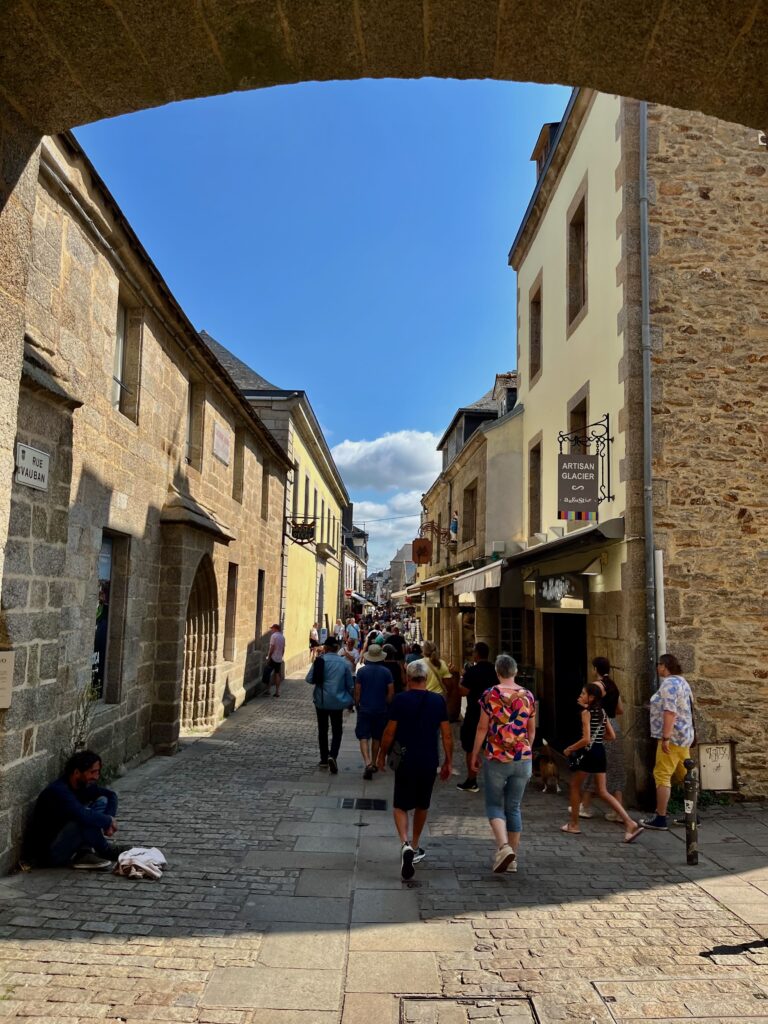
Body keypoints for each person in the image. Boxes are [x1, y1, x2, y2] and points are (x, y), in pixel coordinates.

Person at [377, 660, 453, 881]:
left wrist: (381, 755)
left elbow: (389, 733)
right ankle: (417, 844)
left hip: (405, 760)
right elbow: (447, 734)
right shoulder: (438, 701)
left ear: (408, 679)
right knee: (422, 804)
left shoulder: (401, 700)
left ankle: (405, 843)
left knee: (400, 805)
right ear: (426, 678)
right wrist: (449, 761)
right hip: (429, 760)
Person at [470, 655, 535, 872]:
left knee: (494, 804)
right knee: (514, 807)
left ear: (498, 672)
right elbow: (531, 730)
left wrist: (474, 754)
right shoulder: (527, 696)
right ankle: (512, 860)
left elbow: (482, 727)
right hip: (522, 758)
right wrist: (525, 749)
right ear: (515, 671)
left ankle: (504, 847)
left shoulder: (490, 695)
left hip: (497, 757)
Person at [562, 684, 643, 843]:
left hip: (589, 754)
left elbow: (586, 739)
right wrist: (597, 740)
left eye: (583, 693)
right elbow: (611, 736)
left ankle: (574, 824)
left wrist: (570, 749)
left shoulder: (586, 713)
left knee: (574, 786)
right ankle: (629, 822)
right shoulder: (603, 712)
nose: (581, 695)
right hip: (600, 752)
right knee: (603, 791)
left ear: (591, 697)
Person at [25, 750, 125, 869]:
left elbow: (111, 795)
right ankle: (105, 850)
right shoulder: (58, 791)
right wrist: (107, 820)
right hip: (51, 853)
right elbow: (82, 815)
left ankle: (84, 852)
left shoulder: (83, 785)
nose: (96, 777)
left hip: (69, 839)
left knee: (102, 801)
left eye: (98, 772)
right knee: (84, 817)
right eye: (92, 772)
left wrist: (109, 818)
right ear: (77, 772)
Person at [641, 653, 695, 831]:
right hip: (684, 736)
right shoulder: (682, 681)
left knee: (662, 774)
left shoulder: (669, 684)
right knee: (684, 776)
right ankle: (693, 816)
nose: (657, 668)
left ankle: (661, 817)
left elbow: (670, 711)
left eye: (659, 665)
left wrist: (665, 737)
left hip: (672, 738)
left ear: (664, 666)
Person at [578, 657, 627, 821]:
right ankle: (618, 811)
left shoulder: (597, 686)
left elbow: (592, 705)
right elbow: (620, 710)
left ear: (594, 669)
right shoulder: (613, 685)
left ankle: (585, 806)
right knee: (614, 770)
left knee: (595, 767)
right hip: (615, 726)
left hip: (602, 726)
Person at [306, 635, 354, 774]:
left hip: (321, 700)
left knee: (323, 729)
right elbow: (350, 685)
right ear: (337, 648)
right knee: (337, 730)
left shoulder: (320, 661)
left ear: (325, 648)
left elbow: (309, 679)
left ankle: (323, 759)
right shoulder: (343, 663)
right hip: (337, 701)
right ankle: (333, 755)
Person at [457, 642, 498, 793]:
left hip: (474, 713)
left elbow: (463, 692)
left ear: (476, 654)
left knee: (470, 747)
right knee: (493, 747)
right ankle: (496, 781)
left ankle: (472, 780)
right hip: (494, 714)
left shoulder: (472, 672)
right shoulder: (495, 671)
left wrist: (458, 680)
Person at [355, 644, 395, 780]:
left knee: (363, 736)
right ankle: (373, 761)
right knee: (377, 737)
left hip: (365, 708)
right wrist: (386, 703)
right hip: (380, 709)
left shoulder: (361, 672)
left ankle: (367, 762)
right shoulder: (386, 672)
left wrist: (357, 703)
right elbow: (391, 693)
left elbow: (357, 691)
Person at [262, 623, 285, 697]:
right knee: (277, 674)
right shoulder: (282, 637)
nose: (271, 630)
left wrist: (269, 657)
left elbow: (272, 647)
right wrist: (281, 656)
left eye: (272, 628)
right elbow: (283, 649)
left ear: (276, 629)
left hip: (273, 658)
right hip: (279, 658)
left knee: (267, 673)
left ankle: (268, 690)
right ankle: (277, 692)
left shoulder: (274, 636)